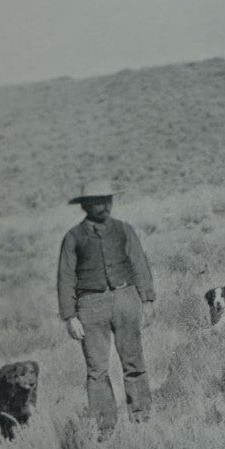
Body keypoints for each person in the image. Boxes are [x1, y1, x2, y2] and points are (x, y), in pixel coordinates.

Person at [56, 180, 156, 435]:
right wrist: (70, 317)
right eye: (100, 200)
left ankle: (142, 416)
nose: (107, 205)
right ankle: (105, 427)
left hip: (125, 298)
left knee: (134, 361)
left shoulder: (124, 230)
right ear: (86, 205)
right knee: (97, 370)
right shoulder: (73, 237)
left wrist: (147, 301)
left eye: (109, 199)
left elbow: (139, 264)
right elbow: (65, 277)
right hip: (89, 306)